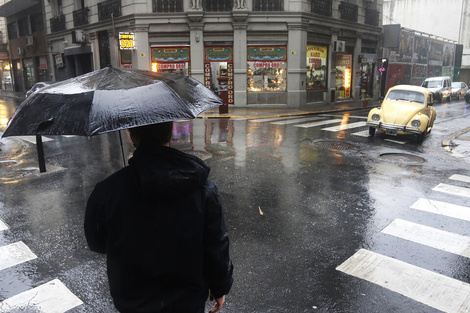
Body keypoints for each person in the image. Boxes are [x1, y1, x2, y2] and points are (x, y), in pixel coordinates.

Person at [84, 121, 233, 313]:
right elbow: (215, 245)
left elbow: (97, 242)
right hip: (187, 300)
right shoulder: (203, 189)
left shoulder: (108, 191)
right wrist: (220, 287)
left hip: (133, 300)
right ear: (169, 132)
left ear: (132, 135)